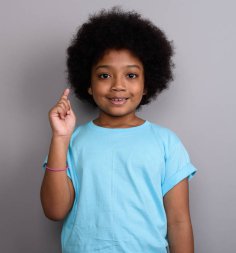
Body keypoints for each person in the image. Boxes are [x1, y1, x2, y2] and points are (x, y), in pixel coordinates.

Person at [40, 7, 197, 253]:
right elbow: (54, 210)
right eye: (104, 75)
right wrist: (60, 138)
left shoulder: (166, 142)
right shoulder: (71, 141)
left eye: (131, 75)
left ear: (147, 84)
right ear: (88, 85)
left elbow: (178, 222)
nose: (118, 86)